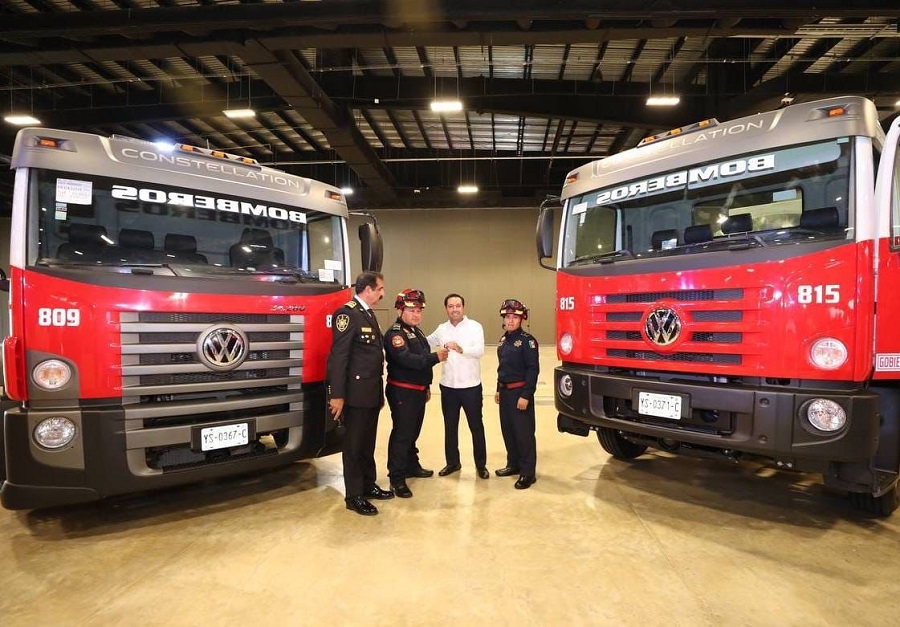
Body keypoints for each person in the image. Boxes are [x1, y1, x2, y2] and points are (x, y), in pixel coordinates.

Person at [326, 271, 393, 516]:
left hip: (370, 391)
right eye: (380, 288)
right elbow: (339, 357)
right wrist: (337, 395)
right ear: (368, 289)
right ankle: (354, 496)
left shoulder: (367, 313)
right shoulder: (347, 313)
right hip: (354, 394)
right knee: (353, 446)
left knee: (367, 443)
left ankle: (368, 484)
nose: (382, 293)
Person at [383, 289, 449, 498]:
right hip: (403, 392)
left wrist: (426, 386)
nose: (416, 314)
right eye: (412, 310)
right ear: (401, 310)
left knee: (413, 432)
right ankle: (397, 478)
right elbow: (409, 360)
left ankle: (412, 465)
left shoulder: (416, 331)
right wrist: (435, 357)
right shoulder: (396, 334)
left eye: (419, 310)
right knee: (402, 434)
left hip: (417, 391)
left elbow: (420, 361)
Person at [426, 293, 489, 479]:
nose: (455, 309)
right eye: (451, 306)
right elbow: (426, 341)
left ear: (463, 307)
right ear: (446, 308)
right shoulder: (441, 329)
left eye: (458, 306)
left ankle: (481, 465)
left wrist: (461, 349)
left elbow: (480, 351)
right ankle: (453, 463)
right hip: (448, 387)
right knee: (450, 427)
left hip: (471, 387)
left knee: (476, 427)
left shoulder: (475, 327)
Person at [494, 298, 540, 489]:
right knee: (509, 432)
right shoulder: (504, 339)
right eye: (508, 317)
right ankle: (513, 464)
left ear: (522, 319)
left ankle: (528, 473)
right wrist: (498, 388)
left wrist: (526, 395)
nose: (511, 320)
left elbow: (532, 370)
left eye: (515, 317)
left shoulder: (528, 342)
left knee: (524, 434)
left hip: (519, 393)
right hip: (505, 393)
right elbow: (502, 366)